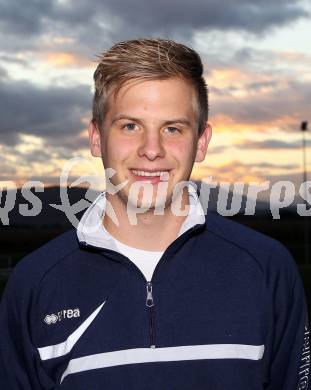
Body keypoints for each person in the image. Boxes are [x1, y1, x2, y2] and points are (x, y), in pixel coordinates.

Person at [0, 38, 309, 389]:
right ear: (97, 137)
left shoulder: (267, 270)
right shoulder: (35, 282)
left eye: (172, 128)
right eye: (130, 126)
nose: (152, 150)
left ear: (201, 141)